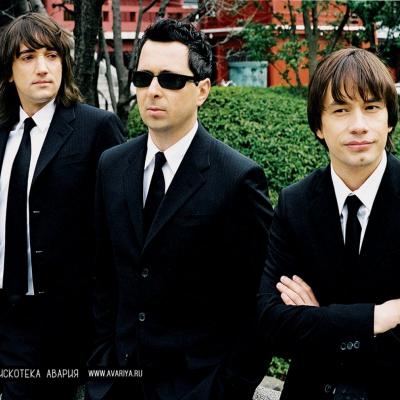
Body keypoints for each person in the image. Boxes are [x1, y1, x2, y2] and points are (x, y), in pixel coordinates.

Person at [88, 18, 273, 400]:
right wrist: (101, 367)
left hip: (197, 386)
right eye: (143, 78)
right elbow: (103, 276)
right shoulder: (111, 165)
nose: (153, 91)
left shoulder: (237, 179)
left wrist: (226, 390)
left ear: (202, 89)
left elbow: (256, 301)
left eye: (171, 80)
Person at [258, 47, 400, 400]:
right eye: (340, 110)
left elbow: (296, 328)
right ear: (319, 127)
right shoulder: (295, 203)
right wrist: (378, 317)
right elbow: (271, 323)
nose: (358, 125)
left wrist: (318, 320)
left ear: (390, 119)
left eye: (371, 107)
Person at [0, 12, 124, 400]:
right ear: (8, 72)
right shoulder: (3, 132)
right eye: (28, 57)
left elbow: (120, 227)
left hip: (63, 322)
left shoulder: (96, 127)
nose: (43, 67)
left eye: (52, 55)